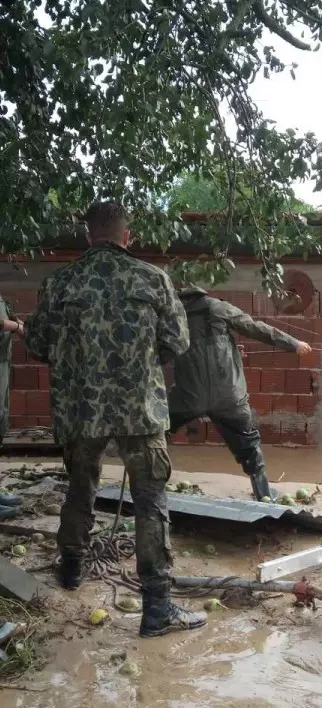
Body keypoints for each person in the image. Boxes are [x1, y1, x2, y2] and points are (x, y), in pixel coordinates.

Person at [25, 201, 206, 638]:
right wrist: (139, 364)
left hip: (80, 410)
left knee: (80, 488)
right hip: (140, 412)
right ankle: (157, 607)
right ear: (128, 236)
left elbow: (37, 344)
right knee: (150, 501)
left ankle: (70, 569)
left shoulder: (60, 282)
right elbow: (177, 342)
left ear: (89, 235)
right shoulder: (152, 279)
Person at [167, 284, 312, 501]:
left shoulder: (173, 316)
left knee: (156, 431)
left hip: (189, 397)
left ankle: (149, 485)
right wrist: (293, 344)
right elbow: (257, 328)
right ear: (202, 293)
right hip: (229, 396)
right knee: (248, 444)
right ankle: (263, 493)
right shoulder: (217, 307)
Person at [0, 299, 25, 519]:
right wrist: (16, 327)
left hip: (1, 362)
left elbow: (7, 311)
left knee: (0, 424)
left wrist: (17, 321)